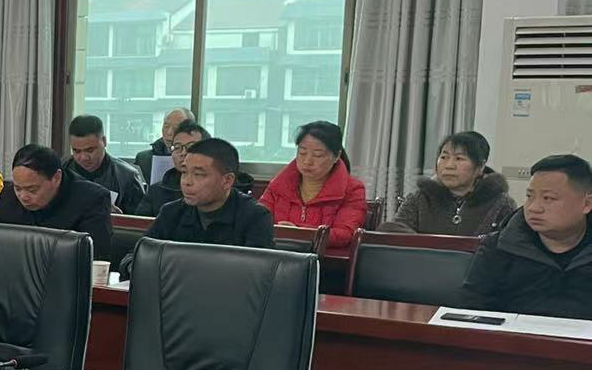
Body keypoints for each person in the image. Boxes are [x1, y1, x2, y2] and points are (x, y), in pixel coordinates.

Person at [119, 137, 274, 277]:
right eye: (184, 172)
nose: (187, 182)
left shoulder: (255, 217)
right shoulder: (171, 212)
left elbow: (258, 274)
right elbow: (133, 258)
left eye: (198, 175)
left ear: (227, 181)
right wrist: (141, 268)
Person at [460, 154, 592, 317]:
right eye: (530, 196)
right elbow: (471, 311)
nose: (533, 208)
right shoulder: (498, 247)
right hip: (512, 333)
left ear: (587, 204)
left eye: (548, 198)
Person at [0, 144, 113, 258]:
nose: (23, 196)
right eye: (18, 188)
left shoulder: (92, 199)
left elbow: (96, 256)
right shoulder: (8, 195)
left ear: (56, 178)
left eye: (32, 190)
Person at [380, 131, 516, 236]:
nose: (449, 165)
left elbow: (507, 245)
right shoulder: (420, 198)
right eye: (444, 157)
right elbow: (394, 233)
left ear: (480, 167)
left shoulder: (501, 203)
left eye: (459, 158)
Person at [258, 121, 369, 249]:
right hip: (277, 254)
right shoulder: (279, 184)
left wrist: (299, 233)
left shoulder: (352, 190)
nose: (307, 161)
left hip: (325, 258)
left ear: (337, 156)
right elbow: (257, 219)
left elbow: (345, 234)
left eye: (318, 155)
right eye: (302, 152)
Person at [65, 115, 146, 214]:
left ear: (104, 141)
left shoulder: (128, 177)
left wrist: (119, 218)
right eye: (76, 151)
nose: (83, 157)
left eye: (90, 150)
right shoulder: (61, 171)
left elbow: (140, 220)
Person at [141, 119, 208, 216]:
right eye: (177, 147)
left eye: (191, 147)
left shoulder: (219, 189)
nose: (183, 153)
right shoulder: (156, 191)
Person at [135, 107, 193, 181]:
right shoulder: (144, 159)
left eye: (176, 128)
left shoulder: (199, 159)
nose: (169, 132)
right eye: (166, 126)